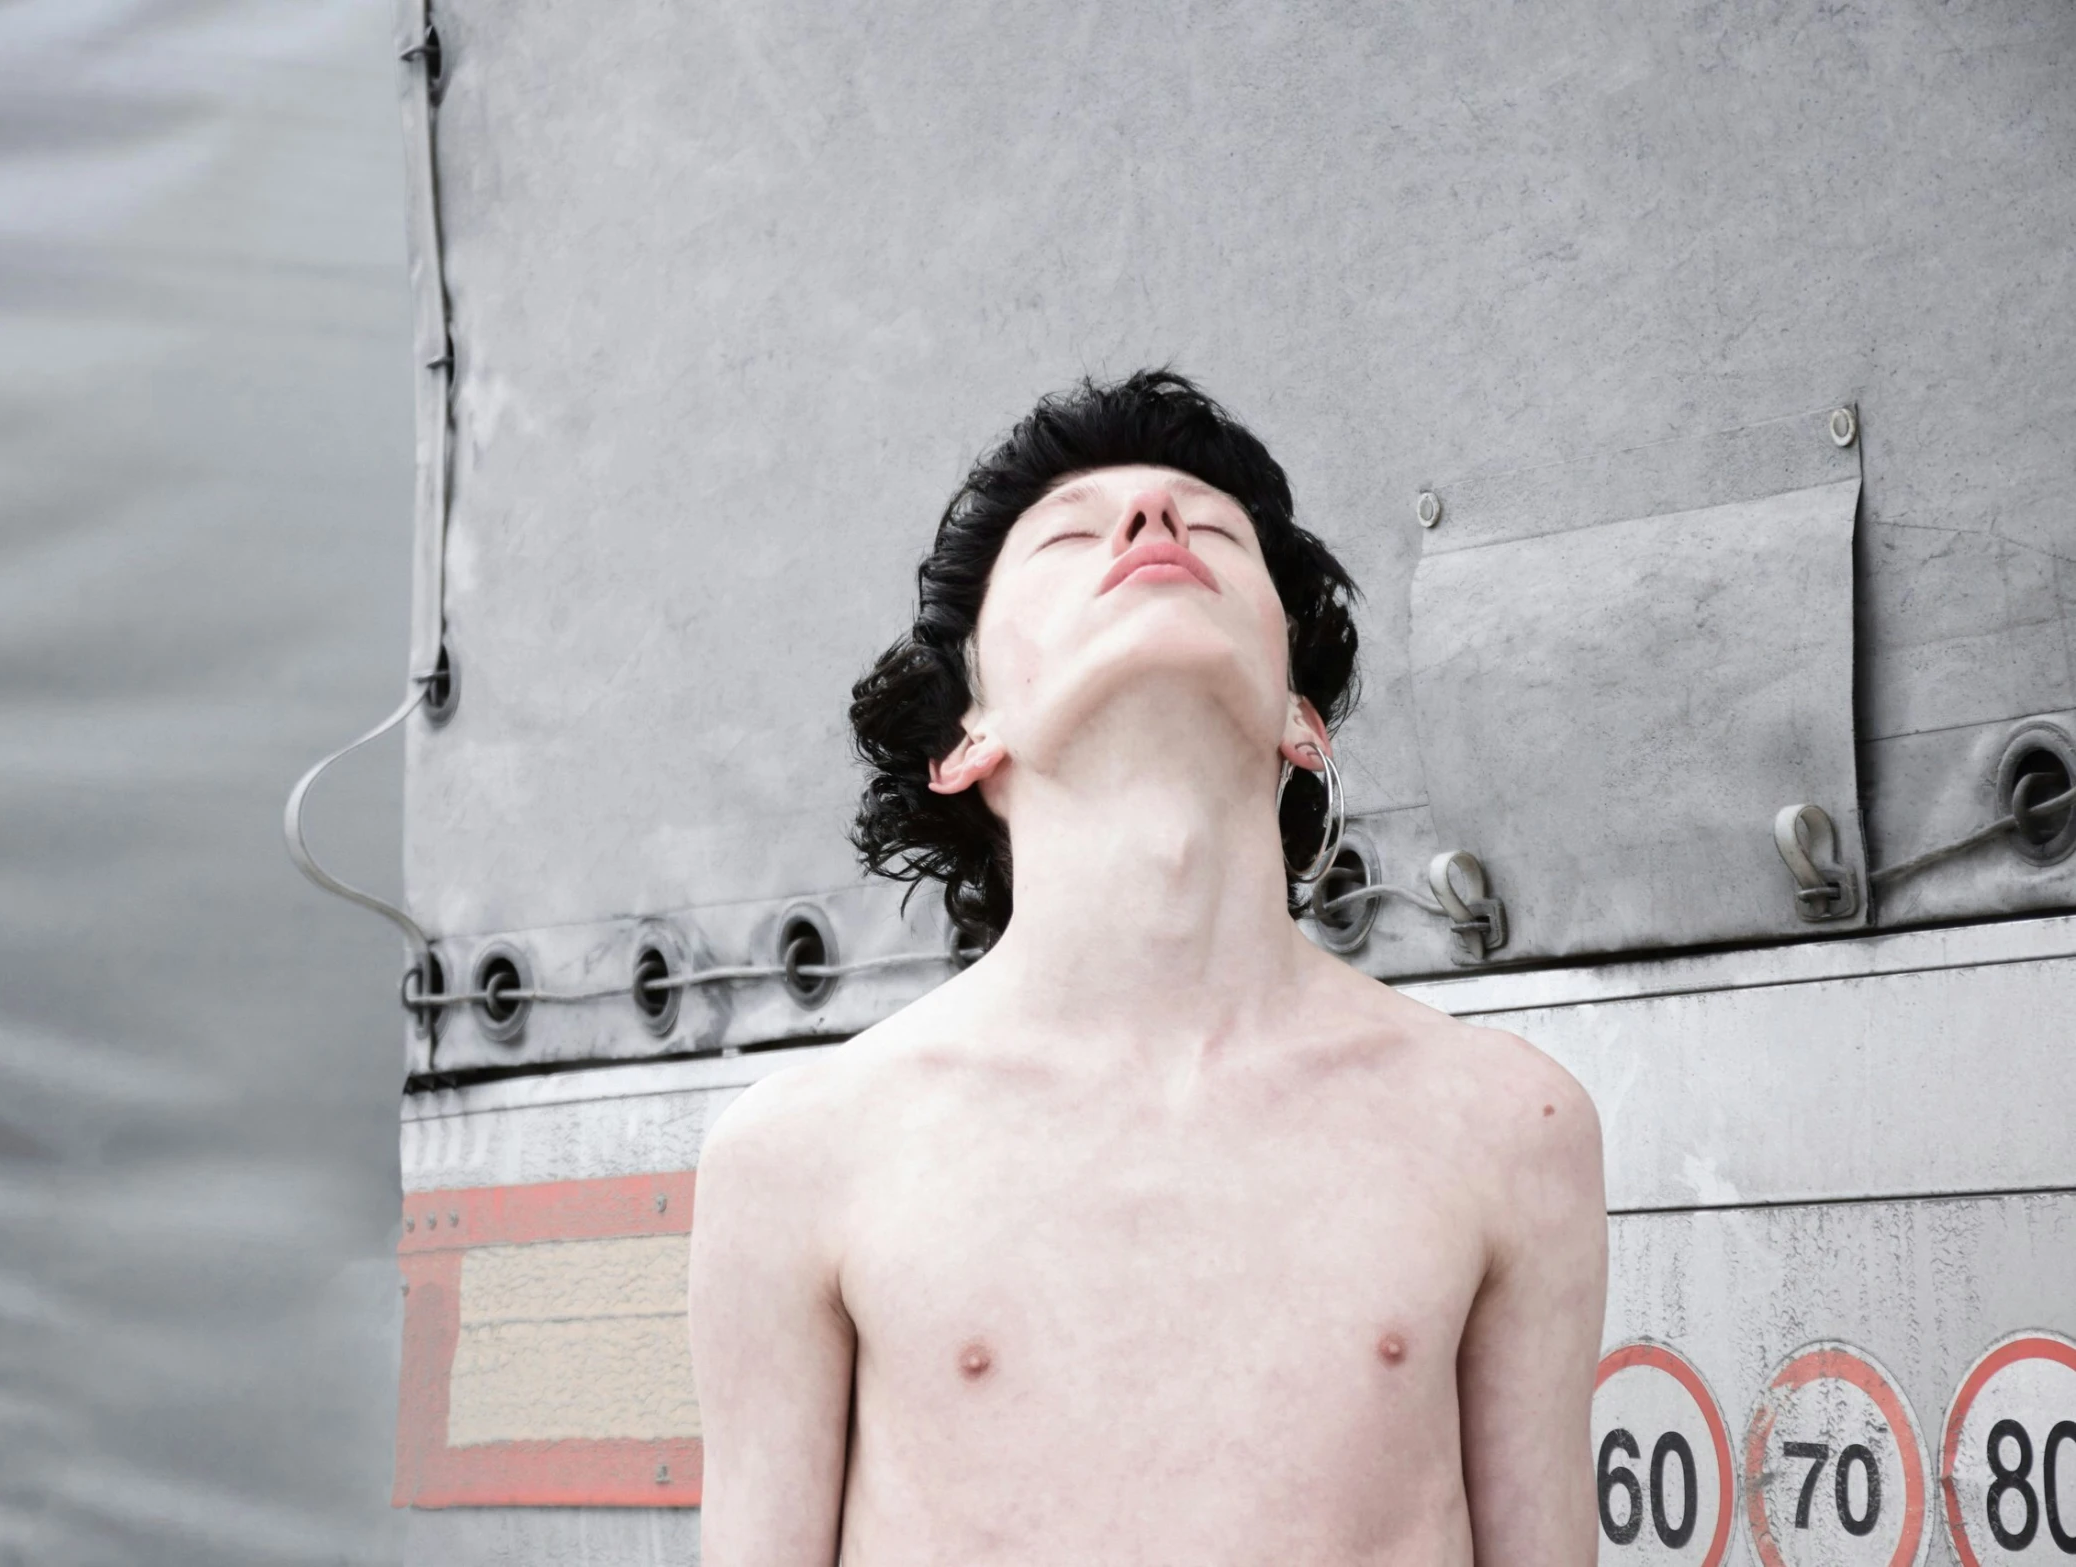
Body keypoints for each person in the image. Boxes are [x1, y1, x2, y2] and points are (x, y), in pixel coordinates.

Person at [687, 370, 1606, 1566]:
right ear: (970, 736)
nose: (1151, 524)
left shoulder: (1507, 1122)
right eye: (1071, 534)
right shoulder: (797, 1154)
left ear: (1301, 719)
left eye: (1210, 526)